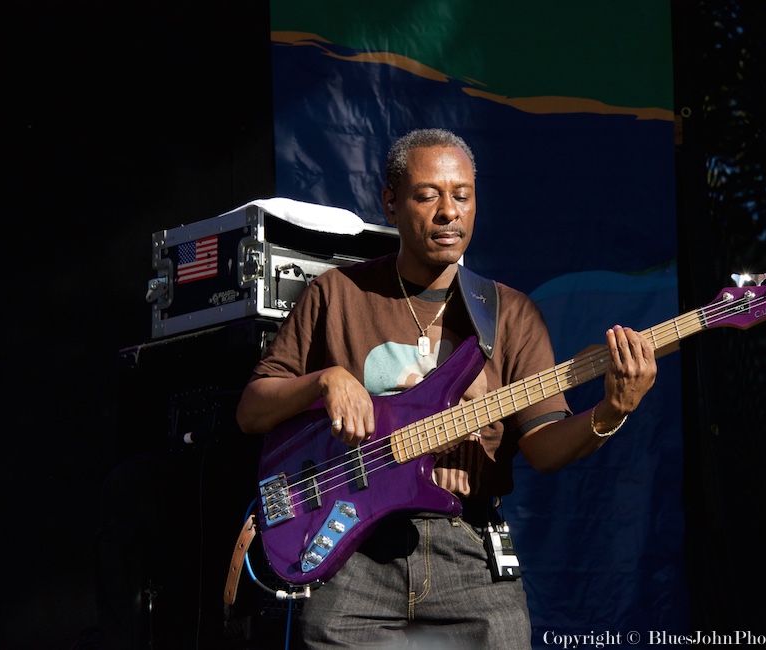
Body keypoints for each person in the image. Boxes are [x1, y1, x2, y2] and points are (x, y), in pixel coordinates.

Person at [235, 128, 657, 648]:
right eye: (427, 195)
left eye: (462, 196)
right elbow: (252, 411)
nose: (448, 212)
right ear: (390, 203)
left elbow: (543, 447)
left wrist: (613, 410)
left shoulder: (509, 313)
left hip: (470, 558)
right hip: (353, 559)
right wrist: (325, 380)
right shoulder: (337, 294)